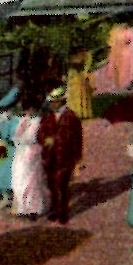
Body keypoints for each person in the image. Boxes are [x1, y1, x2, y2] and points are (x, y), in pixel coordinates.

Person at [42, 89, 83, 225]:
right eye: (51, 102)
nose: (52, 105)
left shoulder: (71, 116)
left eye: (54, 102)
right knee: (51, 185)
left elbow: (77, 138)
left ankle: (63, 212)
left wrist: (78, 158)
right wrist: (46, 140)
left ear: (61, 101)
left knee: (62, 186)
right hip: (50, 156)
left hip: (65, 156)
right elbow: (40, 133)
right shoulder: (48, 116)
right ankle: (54, 210)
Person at [11, 100, 48, 218]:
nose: (27, 111)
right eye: (26, 109)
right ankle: (23, 208)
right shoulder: (23, 121)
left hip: (32, 152)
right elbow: (16, 136)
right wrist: (21, 130)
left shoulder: (38, 122)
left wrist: (20, 137)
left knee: (32, 181)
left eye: (30, 109)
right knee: (19, 180)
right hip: (21, 152)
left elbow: (31, 137)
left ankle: (34, 209)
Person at [105, 24, 133, 91]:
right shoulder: (129, 31)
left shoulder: (114, 31)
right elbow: (131, 42)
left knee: (120, 69)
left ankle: (121, 85)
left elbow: (110, 43)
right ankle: (123, 85)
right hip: (124, 53)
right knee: (124, 69)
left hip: (118, 53)